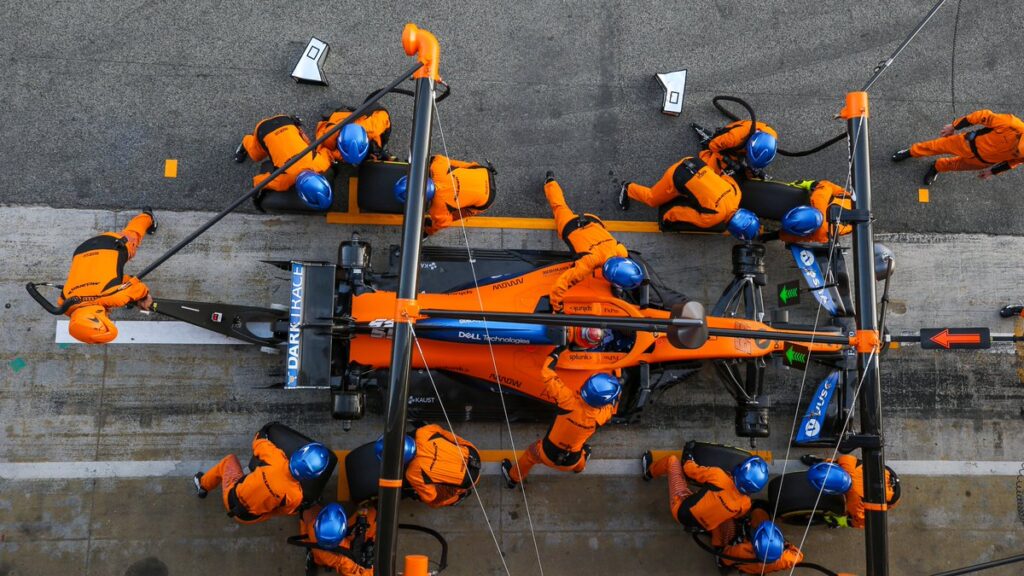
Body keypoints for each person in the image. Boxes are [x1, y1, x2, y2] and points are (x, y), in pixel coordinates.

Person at [501, 347, 620, 486]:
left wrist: (556, 353)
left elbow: (547, 373)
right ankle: (580, 468)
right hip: (572, 461)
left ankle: (514, 478)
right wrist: (617, 376)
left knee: (530, 455)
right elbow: (612, 403)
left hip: (545, 454)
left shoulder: (567, 401)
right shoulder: (602, 416)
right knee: (581, 455)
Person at [545, 173, 645, 313]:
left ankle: (550, 181)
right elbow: (561, 284)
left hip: (592, 220)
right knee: (558, 207)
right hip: (570, 226)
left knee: (560, 205)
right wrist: (557, 307)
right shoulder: (587, 264)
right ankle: (549, 181)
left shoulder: (621, 250)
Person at [59, 210, 157, 344]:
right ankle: (128, 291)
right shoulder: (64, 304)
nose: (108, 317)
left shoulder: (116, 297)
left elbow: (139, 288)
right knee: (116, 281)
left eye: (107, 318)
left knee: (133, 235)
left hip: (111, 245)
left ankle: (148, 217)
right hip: (82, 251)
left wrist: (145, 297)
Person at [193, 430, 330, 524]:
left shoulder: (276, 458)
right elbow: (286, 511)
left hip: (230, 495)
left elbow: (257, 442)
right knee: (286, 510)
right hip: (249, 517)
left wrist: (262, 433)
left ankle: (203, 485)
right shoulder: (296, 495)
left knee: (229, 460)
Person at [617, 155, 755, 237]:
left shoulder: (737, 193)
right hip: (677, 175)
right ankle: (627, 188)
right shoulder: (711, 219)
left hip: (695, 162)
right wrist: (666, 219)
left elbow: (725, 177)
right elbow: (679, 213)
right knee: (652, 199)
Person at [641, 448, 768, 532]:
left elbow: (689, 470)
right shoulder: (745, 504)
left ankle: (648, 472)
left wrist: (688, 455)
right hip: (704, 526)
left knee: (672, 461)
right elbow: (737, 515)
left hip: (681, 510)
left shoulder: (719, 477)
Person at [892, 109, 1024, 185]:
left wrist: (993, 171)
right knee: (934, 147)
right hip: (967, 143)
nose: (1018, 150)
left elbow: (1013, 162)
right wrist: (953, 126)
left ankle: (937, 166)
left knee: (954, 166)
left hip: (982, 162)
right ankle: (911, 152)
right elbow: (981, 116)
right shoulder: (1011, 124)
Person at [235, 115, 334, 210]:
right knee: (256, 156)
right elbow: (257, 181)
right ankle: (247, 140)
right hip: (263, 130)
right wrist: (256, 194)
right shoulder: (282, 182)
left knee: (308, 144)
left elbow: (327, 151)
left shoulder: (322, 163)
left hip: (286, 121)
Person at [374, 424, 482, 508]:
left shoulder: (414, 473)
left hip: (470, 479)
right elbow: (439, 429)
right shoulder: (423, 432)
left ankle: (458, 497)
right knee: (446, 436)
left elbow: (431, 497)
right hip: (473, 453)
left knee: (434, 503)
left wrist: (420, 494)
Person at [801, 454, 901, 528]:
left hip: (890, 495)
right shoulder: (846, 461)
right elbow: (835, 465)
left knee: (845, 516)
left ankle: (837, 522)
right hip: (886, 476)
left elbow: (861, 522)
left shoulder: (855, 504)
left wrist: (848, 522)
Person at [422, 155, 497, 236]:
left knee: (457, 215)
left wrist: (429, 230)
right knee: (456, 165)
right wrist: (429, 229)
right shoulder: (438, 169)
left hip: (487, 198)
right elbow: (436, 158)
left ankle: (426, 232)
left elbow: (443, 223)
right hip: (484, 173)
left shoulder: (437, 210)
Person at [294, 502, 376, 575]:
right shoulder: (343, 560)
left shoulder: (314, 527)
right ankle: (312, 554)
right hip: (349, 559)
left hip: (328, 551)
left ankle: (312, 553)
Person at [718, 507, 804, 574]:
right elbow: (799, 556)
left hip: (744, 565)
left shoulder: (740, 551)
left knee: (726, 524)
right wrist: (784, 543)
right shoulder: (783, 560)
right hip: (759, 570)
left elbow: (724, 559)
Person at [777, 180, 853, 245]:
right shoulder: (823, 234)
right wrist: (778, 236)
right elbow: (796, 237)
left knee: (809, 184)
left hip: (803, 196)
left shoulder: (819, 197)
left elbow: (826, 184)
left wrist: (810, 184)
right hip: (849, 222)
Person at [315, 104, 393, 164]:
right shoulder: (328, 138)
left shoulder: (373, 127)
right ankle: (338, 110)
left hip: (360, 119)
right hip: (340, 118)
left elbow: (383, 114)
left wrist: (377, 151)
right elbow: (324, 153)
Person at [706, 119, 779, 176]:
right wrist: (727, 160)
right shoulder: (733, 138)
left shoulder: (772, 137)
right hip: (726, 142)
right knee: (711, 169)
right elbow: (712, 146)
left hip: (743, 142)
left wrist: (753, 169)